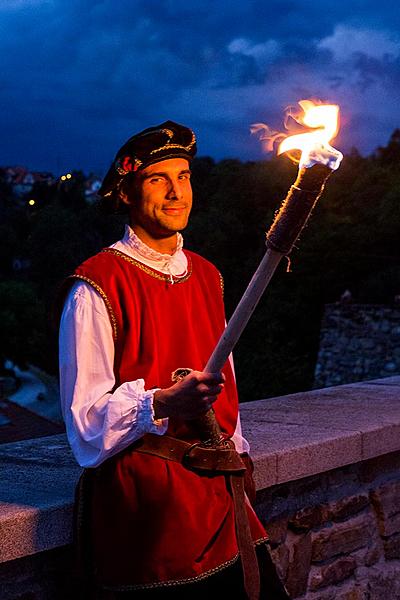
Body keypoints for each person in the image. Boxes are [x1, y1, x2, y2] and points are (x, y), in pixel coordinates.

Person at [59, 121, 290, 599]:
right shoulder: (96, 285)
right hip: (150, 511)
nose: (175, 192)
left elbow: (229, 389)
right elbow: (85, 426)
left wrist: (239, 458)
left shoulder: (208, 275)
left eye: (183, 177)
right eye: (157, 179)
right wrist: (162, 402)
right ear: (126, 193)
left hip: (220, 499)